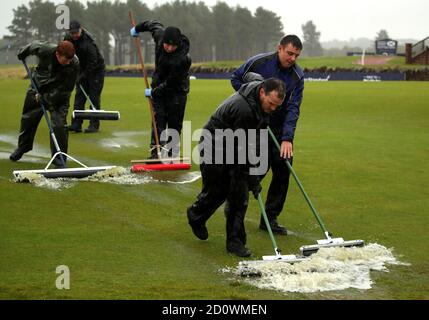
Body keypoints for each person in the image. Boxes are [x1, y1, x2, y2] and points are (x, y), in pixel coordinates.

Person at [187, 73, 286, 257]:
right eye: (271, 104)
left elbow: (250, 76)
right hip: (214, 147)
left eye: (276, 106)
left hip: (234, 145)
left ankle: (235, 242)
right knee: (217, 192)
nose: (272, 109)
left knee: (239, 196)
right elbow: (243, 152)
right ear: (262, 92)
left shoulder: (259, 92)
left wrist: (250, 179)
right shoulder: (244, 111)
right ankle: (195, 215)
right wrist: (254, 179)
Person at [230, 35, 304, 236]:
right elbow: (236, 78)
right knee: (254, 172)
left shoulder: (297, 75)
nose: (292, 58)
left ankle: (269, 218)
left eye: (296, 55)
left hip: (279, 129)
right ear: (279, 48)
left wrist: (287, 138)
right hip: (255, 124)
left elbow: (293, 108)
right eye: (289, 53)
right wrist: (254, 102)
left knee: (283, 170)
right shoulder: (259, 62)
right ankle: (235, 210)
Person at [9, 41, 79, 167]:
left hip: (59, 94)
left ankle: (59, 159)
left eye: (70, 59)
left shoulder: (74, 63)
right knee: (28, 118)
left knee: (59, 125)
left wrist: (46, 99)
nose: (68, 62)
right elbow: (31, 46)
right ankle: (23, 147)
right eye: (66, 60)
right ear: (57, 54)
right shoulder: (45, 49)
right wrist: (23, 52)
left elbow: (65, 90)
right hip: (38, 86)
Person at [130, 20, 191, 158]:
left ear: (178, 44)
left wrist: (154, 91)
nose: (168, 48)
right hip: (158, 85)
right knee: (158, 120)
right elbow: (153, 24)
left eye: (172, 46)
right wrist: (137, 29)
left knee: (174, 123)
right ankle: (155, 153)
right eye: (166, 44)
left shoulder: (183, 59)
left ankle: (171, 155)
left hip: (177, 91)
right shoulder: (159, 36)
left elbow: (172, 83)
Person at [65, 20, 105, 133]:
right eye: (72, 33)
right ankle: (76, 124)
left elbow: (93, 62)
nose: (74, 35)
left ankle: (94, 125)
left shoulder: (88, 42)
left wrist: (81, 77)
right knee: (79, 98)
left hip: (96, 70)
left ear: (81, 30)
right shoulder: (68, 39)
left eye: (76, 33)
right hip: (82, 68)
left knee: (94, 97)